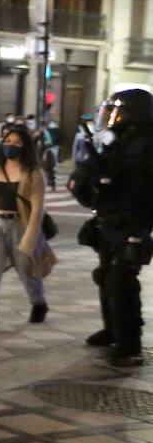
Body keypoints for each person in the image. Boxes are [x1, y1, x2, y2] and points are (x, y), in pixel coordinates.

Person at [70, 89, 153, 365]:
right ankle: (112, 329)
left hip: (132, 221)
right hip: (109, 218)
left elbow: (141, 189)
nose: (117, 116)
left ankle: (129, 344)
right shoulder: (118, 140)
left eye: (123, 111)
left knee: (121, 281)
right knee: (105, 276)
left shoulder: (146, 144)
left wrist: (138, 231)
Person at [0, 126, 53, 333]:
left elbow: (37, 209)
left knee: (26, 270)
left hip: (21, 225)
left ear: (25, 146)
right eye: (8, 141)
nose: (11, 146)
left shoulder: (33, 174)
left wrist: (30, 238)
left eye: (17, 142)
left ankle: (38, 302)